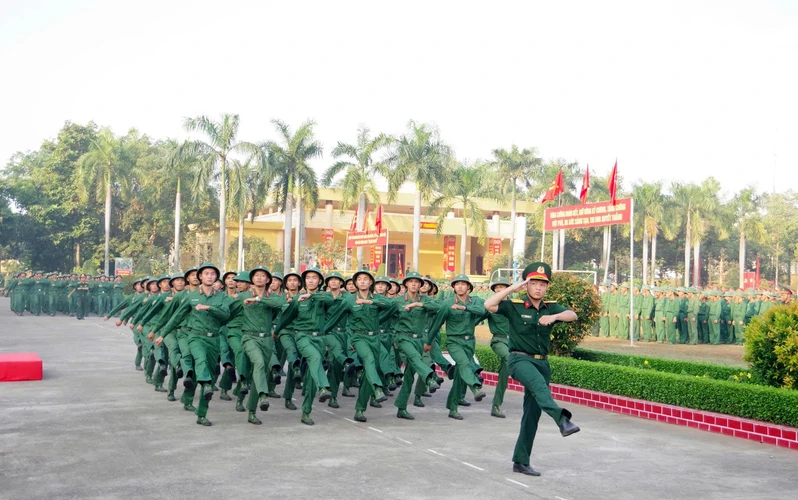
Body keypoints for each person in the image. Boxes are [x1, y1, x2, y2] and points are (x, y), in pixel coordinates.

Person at [483, 262, 580, 477]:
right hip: (519, 360)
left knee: (532, 415)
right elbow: (489, 305)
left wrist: (554, 317)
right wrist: (512, 288)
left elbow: (572, 315)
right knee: (539, 387)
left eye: (542, 285)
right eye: (533, 283)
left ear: (547, 287)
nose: (538, 288)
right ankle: (562, 420)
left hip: (542, 363)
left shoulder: (551, 307)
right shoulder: (515, 306)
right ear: (526, 285)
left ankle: (521, 461)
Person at [155, 262, 231, 426]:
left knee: (204, 374)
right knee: (201, 362)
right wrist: (162, 334)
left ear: (216, 277)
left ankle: (200, 412)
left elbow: (226, 315)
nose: (209, 276)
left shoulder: (222, 297)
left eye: (212, 274)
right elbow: (176, 316)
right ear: (200, 277)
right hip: (195, 337)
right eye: (206, 273)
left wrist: (209, 308)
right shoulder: (191, 296)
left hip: (214, 338)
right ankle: (206, 386)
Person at [425, 274, 487, 421]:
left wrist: (465, 308)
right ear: (453, 287)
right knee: (464, 363)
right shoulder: (447, 304)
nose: (460, 286)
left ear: (469, 288)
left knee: (459, 377)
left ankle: (452, 408)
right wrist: (428, 342)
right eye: (457, 284)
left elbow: (482, 311)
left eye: (463, 284)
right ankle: (475, 387)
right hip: (454, 341)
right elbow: (437, 324)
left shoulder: (475, 301)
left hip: (469, 342)